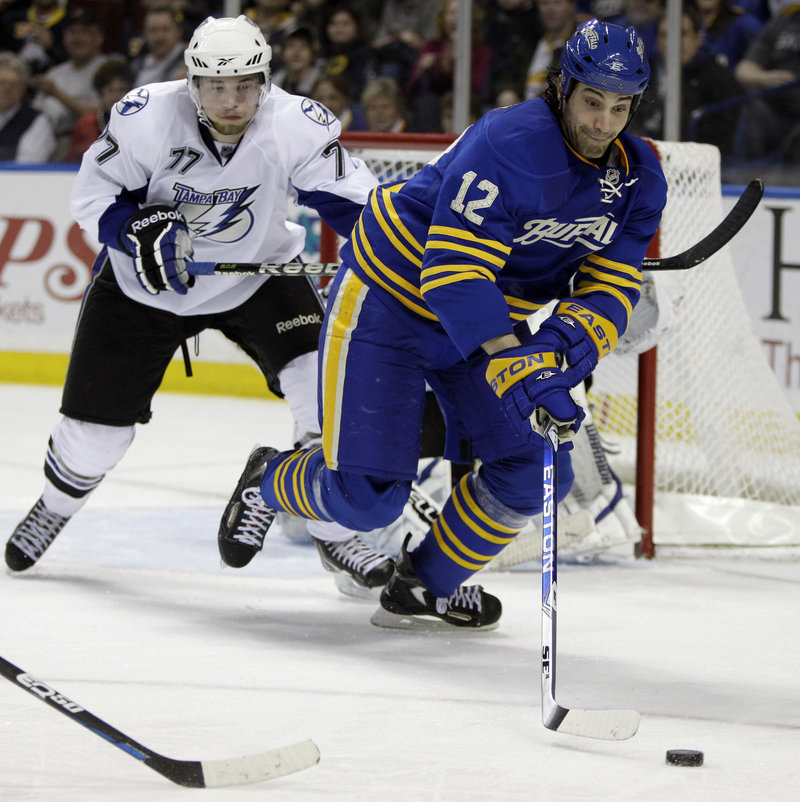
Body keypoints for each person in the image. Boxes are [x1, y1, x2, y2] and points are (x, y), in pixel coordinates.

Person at [217, 19, 668, 629]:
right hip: (390, 303)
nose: (603, 123)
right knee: (366, 495)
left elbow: (611, 287)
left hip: (486, 326)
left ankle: (424, 586)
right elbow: (454, 275)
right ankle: (269, 477)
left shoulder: (640, 177)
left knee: (536, 470)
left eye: (620, 107)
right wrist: (522, 367)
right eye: (592, 102)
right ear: (562, 88)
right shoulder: (508, 142)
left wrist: (560, 355)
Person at [4, 16, 388, 591]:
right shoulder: (146, 117)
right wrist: (136, 227)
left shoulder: (296, 124)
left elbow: (356, 206)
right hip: (144, 285)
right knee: (93, 439)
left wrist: (391, 249)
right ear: (192, 83)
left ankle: (331, 530)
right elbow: (93, 196)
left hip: (259, 272)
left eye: (245, 85)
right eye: (216, 86)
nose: (232, 101)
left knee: (322, 388)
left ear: (264, 79)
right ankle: (57, 504)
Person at [630, 4, 743, 155]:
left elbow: (722, 134)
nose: (673, 42)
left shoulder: (717, 76)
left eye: (682, 34)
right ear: (657, 40)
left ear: (698, 38)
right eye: (665, 35)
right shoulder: (644, 70)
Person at [29, 7, 108, 161]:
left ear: (99, 37)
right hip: (43, 142)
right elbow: (35, 112)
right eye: (71, 32)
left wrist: (56, 93)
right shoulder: (55, 73)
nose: (77, 39)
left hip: (87, 146)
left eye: (84, 32)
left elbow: (103, 113)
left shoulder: (107, 69)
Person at [405, 0, 491, 132]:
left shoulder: (480, 51)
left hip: (468, 104)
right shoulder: (432, 47)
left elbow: (475, 87)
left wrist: (456, 55)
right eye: (450, 13)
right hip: (435, 107)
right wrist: (422, 69)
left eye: (458, 13)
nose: (454, 18)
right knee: (427, 104)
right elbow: (412, 88)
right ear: (442, 18)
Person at [734, 0, 800, 162]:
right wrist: (767, 78)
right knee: (754, 108)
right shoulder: (782, 23)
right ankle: (750, 174)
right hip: (776, 108)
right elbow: (743, 70)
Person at [66, 58, 132, 162]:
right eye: (110, 90)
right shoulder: (86, 123)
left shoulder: (137, 124)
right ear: (100, 94)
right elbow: (73, 161)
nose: (116, 96)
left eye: (121, 90)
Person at [0, 49, 55, 161]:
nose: (7, 89)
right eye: (2, 83)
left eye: (14, 84)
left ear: (23, 88)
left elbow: (29, 164)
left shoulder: (37, 121)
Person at [129, 4, 187, 87]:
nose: (159, 36)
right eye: (153, 30)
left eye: (165, 29)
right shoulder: (136, 66)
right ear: (145, 34)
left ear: (178, 31)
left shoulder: (191, 64)